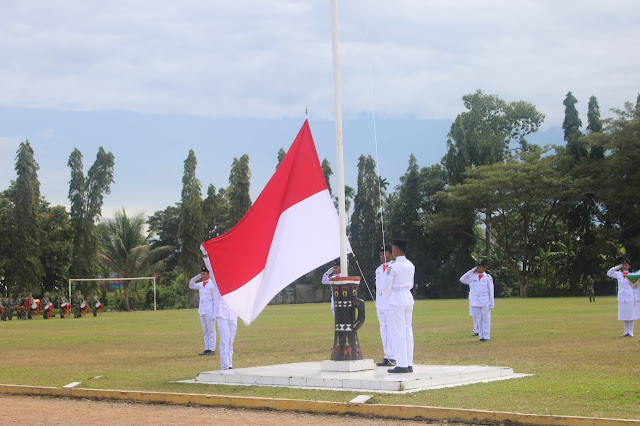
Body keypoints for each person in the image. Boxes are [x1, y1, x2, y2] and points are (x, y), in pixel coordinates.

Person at [385, 239, 415, 374]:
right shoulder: (410, 265)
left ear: (396, 250)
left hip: (396, 298)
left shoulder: (393, 266)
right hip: (408, 297)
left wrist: (387, 300)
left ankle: (402, 364)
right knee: (408, 331)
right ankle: (408, 363)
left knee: (398, 332)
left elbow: (387, 287)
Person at [460, 260, 495, 342]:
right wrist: (472, 270)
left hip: (485, 301)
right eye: (477, 267)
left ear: (484, 268)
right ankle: (481, 336)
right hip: (476, 301)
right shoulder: (473, 277)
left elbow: (491, 291)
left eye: (480, 267)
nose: (478, 269)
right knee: (479, 319)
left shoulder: (488, 277)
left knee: (485, 319)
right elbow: (462, 279)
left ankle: (486, 337)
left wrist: (491, 303)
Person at [189, 266, 218, 356]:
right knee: (205, 331)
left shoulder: (212, 285)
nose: (202, 275)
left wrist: (215, 313)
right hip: (202, 310)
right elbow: (191, 285)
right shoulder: (201, 284)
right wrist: (197, 277)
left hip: (210, 311)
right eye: (201, 274)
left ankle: (211, 349)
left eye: (204, 274)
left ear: (209, 275)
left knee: (211, 331)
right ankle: (206, 348)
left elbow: (215, 300)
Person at [375, 244, 395, 367]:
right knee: (383, 329)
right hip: (380, 301)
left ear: (391, 254)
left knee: (391, 329)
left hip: (390, 300)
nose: (382, 256)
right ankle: (387, 355)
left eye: (384, 253)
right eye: (381, 254)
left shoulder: (394, 267)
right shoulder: (378, 269)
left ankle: (394, 356)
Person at [607, 259, 638, 337]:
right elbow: (609, 273)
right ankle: (626, 331)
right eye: (623, 265)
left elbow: (635, 286)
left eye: (626, 265)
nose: (624, 266)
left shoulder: (632, 275)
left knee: (631, 315)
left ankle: (631, 332)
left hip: (630, 297)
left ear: (629, 266)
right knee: (623, 315)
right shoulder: (618, 274)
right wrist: (618, 267)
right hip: (621, 297)